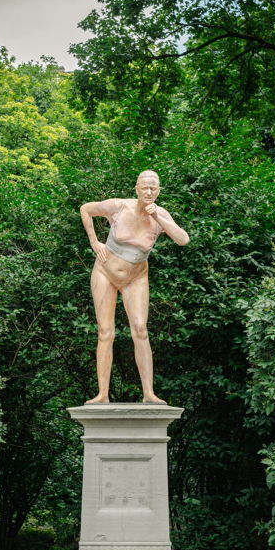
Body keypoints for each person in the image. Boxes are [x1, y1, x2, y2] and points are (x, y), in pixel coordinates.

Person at [80, 170, 189, 404]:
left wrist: (159, 218)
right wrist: (93, 241)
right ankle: (102, 395)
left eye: (154, 188)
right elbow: (86, 209)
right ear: (136, 188)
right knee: (105, 332)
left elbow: (183, 239)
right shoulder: (119, 206)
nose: (149, 192)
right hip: (105, 271)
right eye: (145, 187)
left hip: (136, 276)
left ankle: (148, 393)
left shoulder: (161, 215)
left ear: (159, 191)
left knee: (140, 329)